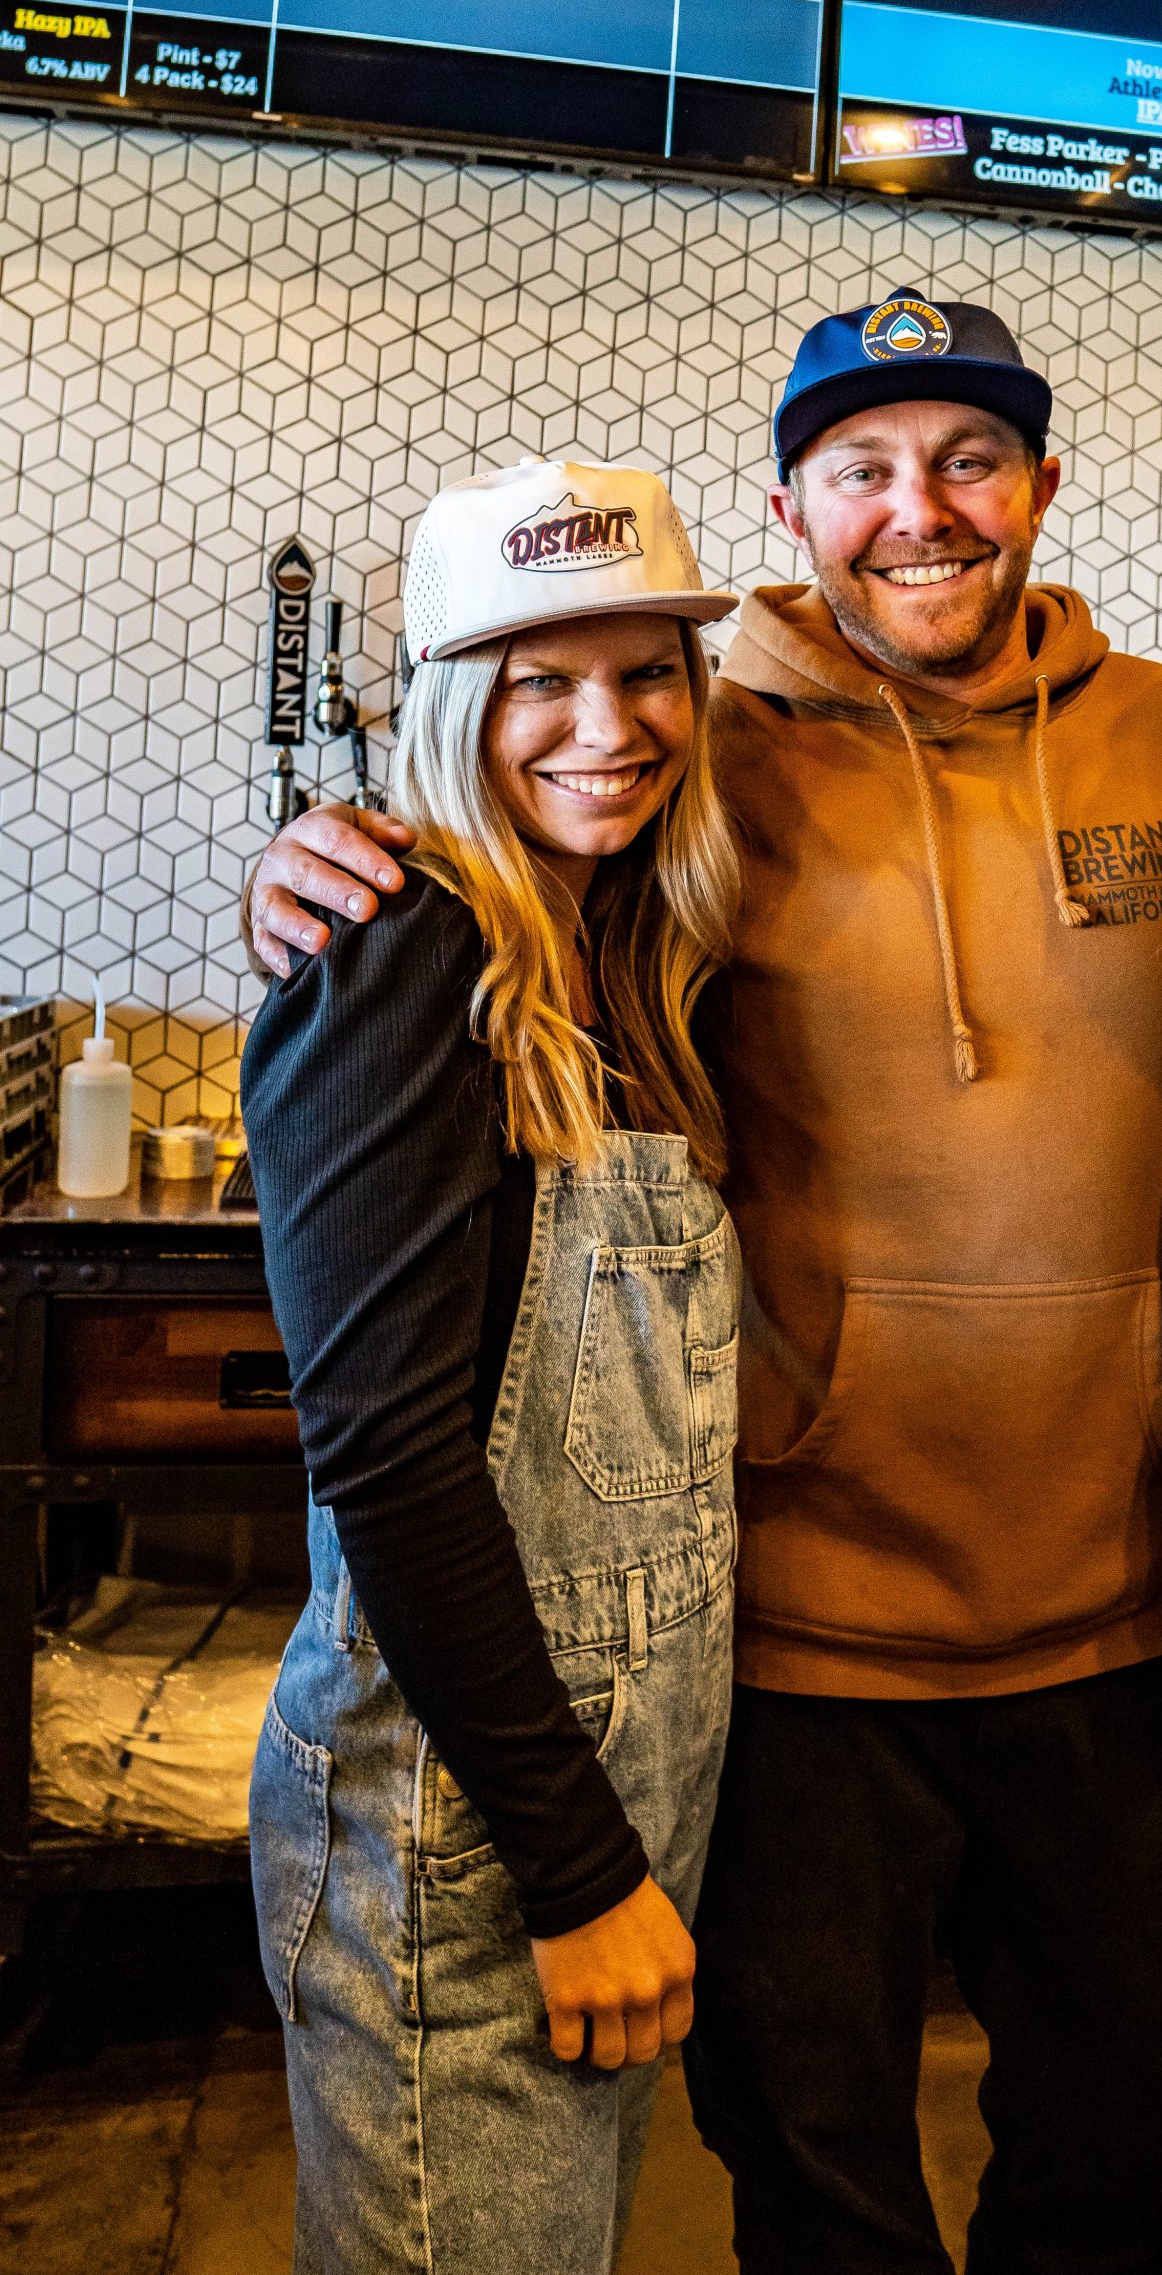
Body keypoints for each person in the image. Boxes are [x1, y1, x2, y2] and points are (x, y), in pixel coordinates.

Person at [244, 299, 1162, 2272]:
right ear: (791, 505)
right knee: (820, 2176)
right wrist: (340, 858)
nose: (915, 510)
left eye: (966, 458)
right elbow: (498, 843)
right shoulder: (692, 753)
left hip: (1126, 1611)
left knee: (1124, 2160)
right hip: (794, 1630)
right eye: (861, 468)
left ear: (1041, 485)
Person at [241, 459, 743, 2275]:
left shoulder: (632, 955)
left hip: (603, 1794)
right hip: (458, 1838)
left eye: (646, 674)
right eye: (540, 680)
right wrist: (575, 1863)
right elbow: (385, 1464)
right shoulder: (398, 954)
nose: (606, 728)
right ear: (451, 704)